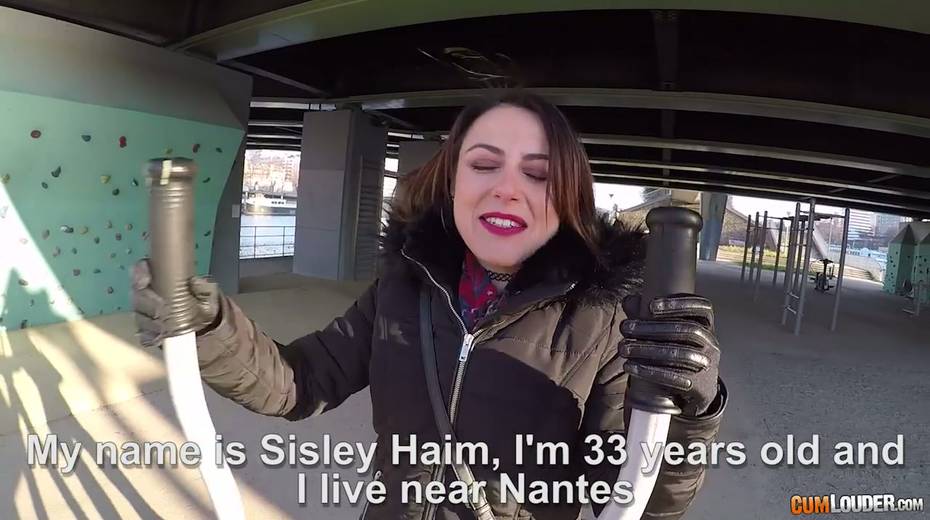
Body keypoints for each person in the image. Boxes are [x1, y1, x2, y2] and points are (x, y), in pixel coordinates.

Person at [132, 91, 726, 520]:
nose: (507, 188)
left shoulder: (603, 325)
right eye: (484, 164)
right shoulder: (400, 289)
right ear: (452, 183)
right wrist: (207, 326)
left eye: (538, 175)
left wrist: (688, 412)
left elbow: (636, 496)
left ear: (568, 198)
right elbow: (298, 382)